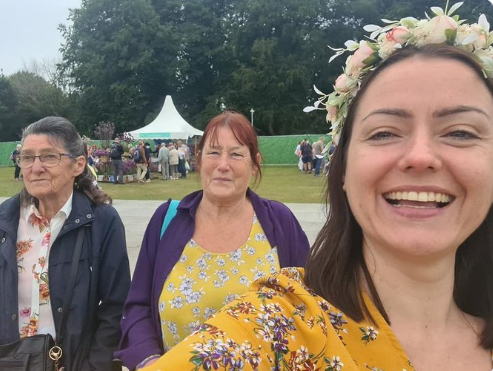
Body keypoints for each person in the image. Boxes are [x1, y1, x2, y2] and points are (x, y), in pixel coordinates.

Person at [138, 4, 493, 370]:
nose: (421, 156)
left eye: (461, 133)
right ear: (343, 169)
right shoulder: (278, 329)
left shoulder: (277, 219)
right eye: (384, 132)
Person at [116, 109, 310, 370]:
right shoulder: (167, 220)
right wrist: (149, 361)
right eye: (214, 152)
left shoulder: (279, 222)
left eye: (237, 154)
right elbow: (138, 307)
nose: (223, 165)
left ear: (255, 164)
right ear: (199, 159)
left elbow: (308, 306)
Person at [0, 116, 131, 370]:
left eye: (49, 156)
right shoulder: (5, 222)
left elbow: (117, 306)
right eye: (27, 157)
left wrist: (92, 366)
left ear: (78, 164)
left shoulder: (102, 221)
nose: (35, 167)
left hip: (73, 363)